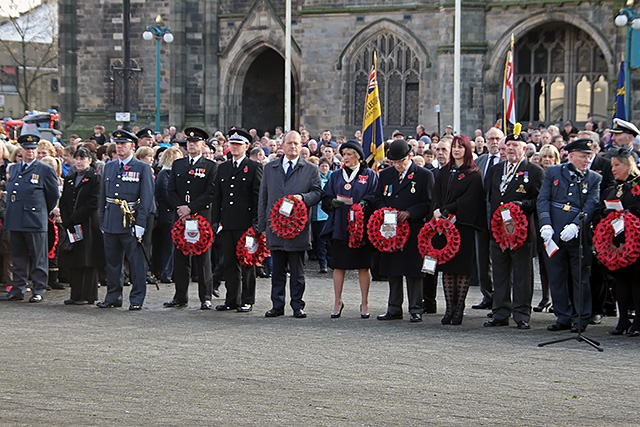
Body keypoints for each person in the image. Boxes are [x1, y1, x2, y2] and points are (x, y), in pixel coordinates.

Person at [537, 138, 602, 332]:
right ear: (571, 156)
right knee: (556, 275)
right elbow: (543, 199)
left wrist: (576, 225)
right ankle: (562, 315)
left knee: (579, 277)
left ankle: (580, 317)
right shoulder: (554, 172)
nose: (586, 161)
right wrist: (546, 224)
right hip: (554, 231)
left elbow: (591, 204)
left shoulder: (593, 178)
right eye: (583, 157)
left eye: (589, 157)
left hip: (577, 236)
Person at [257, 130, 322, 318]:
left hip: (298, 228)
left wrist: (302, 198)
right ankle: (277, 305)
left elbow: (318, 193)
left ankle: (297, 305)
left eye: (296, 143)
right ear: (282, 145)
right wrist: (262, 226)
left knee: (297, 271)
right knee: (276, 269)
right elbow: (263, 197)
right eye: (289, 143)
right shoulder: (270, 168)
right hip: (275, 228)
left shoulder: (310, 169)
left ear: (301, 146)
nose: (293, 146)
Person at [483, 129, 544, 329]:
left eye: (515, 146)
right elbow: (489, 196)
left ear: (524, 149)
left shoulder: (534, 171)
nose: (510, 149)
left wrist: (520, 205)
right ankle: (500, 312)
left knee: (522, 274)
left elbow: (538, 200)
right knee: (499, 272)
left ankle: (521, 313)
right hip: (498, 230)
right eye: (507, 145)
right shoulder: (496, 170)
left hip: (521, 232)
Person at [374, 138, 433, 322]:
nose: (398, 166)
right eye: (394, 162)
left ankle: (416, 307)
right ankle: (393, 307)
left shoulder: (423, 175)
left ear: (410, 156)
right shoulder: (385, 175)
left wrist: (410, 213)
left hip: (414, 228)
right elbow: (378, 198)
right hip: (391, 229)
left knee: (413, 269)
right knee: (393, 267)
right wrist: (385, 211)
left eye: (401, 161)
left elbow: (428, 203)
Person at [97, 129, 154, 311]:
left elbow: (146, 198)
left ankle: (137, 298)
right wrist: (103, 219)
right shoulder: (110, 166)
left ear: (132, 146)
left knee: (136, 263)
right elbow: (103, 196)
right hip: (112, 219)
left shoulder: (142, 168)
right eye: (118, 144)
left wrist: (141, 223)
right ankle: (113, 295)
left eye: (124, 144)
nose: (120, 147)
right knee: (113, 262)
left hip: (131, 220)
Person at [0, 128, 59, 303]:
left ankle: (39, 289)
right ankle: (17, 289)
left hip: (34, 219)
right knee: (18, 256)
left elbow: (52, 195)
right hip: (16, 218)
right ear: (21, 150)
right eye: (26, 149)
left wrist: (42, 211)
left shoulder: (44, 170)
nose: (30, 152)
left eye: (32, 149)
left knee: (38, 257)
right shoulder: (15, 167)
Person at [431, 135, 485, 325]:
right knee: (447, 268)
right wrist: (438, 210)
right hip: (443, 226)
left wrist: (448, 209)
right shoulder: (444, 172)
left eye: (460, 147)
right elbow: (436, 193)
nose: (456, 150)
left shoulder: (474, 174)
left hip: (462, 226)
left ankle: (459, 308)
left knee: (461, 269)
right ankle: (449, 308)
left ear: (467, 150)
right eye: (454, 147)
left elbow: (470, 200)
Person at [321, 140, 378, 318]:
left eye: (349, 154)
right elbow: (325, 196)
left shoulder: (369, 175)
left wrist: (365, 203)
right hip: (340, 225)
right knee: (339, 266)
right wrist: (331, 202)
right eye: (344, 154)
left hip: (361, 227)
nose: (345, 158)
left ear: (358, 156)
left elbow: (375, 195)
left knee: (363, 266)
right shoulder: (336, 175)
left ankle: (365, 302)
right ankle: (337, 301)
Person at [163, 127, 218, 310]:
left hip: (201, 216)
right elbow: (170, 190)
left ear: (203, 145)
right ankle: (180, 296)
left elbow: (210, 192)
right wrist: (180, 208)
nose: (192, 145)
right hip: (180, 217)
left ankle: (206, 296)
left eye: (195, 142)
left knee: (203, 259)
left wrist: (191, 208)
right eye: (189, 142)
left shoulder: (210, 166)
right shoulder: (178, 164)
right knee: (181, 259)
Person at [212, 127, 263, 313]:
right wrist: (216, 220)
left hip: (246, 224)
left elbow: (258, 198)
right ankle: (232, 298)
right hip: (227, 223)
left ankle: (247, 299)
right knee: (229, 263)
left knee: (247, 263)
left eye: (238, 144)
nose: (234, 147)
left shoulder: (254, 167)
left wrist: (257, 224)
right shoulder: (223, 168)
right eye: (232, 144)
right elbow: (218, 197)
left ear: (246, 146)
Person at [598, 149, 640, 336]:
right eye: (612, 165)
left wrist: (632, 212)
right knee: (620, 282)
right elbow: (601, 208)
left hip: (637, 243)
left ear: (628, 165)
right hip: (617, 243)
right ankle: (622, 319)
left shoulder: (637, 187)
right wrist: (606, 213)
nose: (613, 169)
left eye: (617, 165)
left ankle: (638, 321)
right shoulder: (612, 188)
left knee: (637, 281)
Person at [59, 147, 104, 305]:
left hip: (88, 223)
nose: (79, 162)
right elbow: (64, 200)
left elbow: (93, 203)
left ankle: (88, 294)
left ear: (90, 160)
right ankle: (75, 294)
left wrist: (75, 218)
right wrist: (67, 219)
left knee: (88, 259)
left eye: (82, 158)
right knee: (75, 258)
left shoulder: (95, 178)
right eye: (77, 158)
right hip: (72, 223)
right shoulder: (70, 177)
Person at [470, 127, 503, 310]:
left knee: (498, 259)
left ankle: (501, 297)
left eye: (497, 138)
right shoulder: (480, 161)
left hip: (500, 219)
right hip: (481, 218)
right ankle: (487, 294)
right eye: (490, 138)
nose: (493, 142)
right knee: (482, 260)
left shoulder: (505, 161)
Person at [532, 144, 561, 313]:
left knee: (555, 264)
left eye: (550, 157)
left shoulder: (560, 175)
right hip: (539, 223)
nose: (547, 160)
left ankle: (558, 300)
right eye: (544, 157)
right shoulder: (537, 175)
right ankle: (545, 297)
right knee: (543, 264)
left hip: (556, 224)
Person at [154, 147, 183, 283]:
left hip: (171, 214)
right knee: (167, 246)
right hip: (167, 215)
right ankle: (165, 272)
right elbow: (167, 195)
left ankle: (168, 272)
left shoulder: (170, 174)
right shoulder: (164, 174)